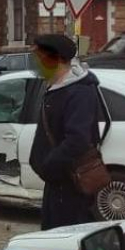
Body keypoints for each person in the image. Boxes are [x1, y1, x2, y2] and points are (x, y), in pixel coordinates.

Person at [29, 34, 102, 231]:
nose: (35, 63)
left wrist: (49, 164)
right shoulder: (56, 88)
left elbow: (77, 140)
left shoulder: (79, 92)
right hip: (57, 184)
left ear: (57, 58)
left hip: (71, 185)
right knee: (52, 236)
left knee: (66, 238)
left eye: (39, 57)